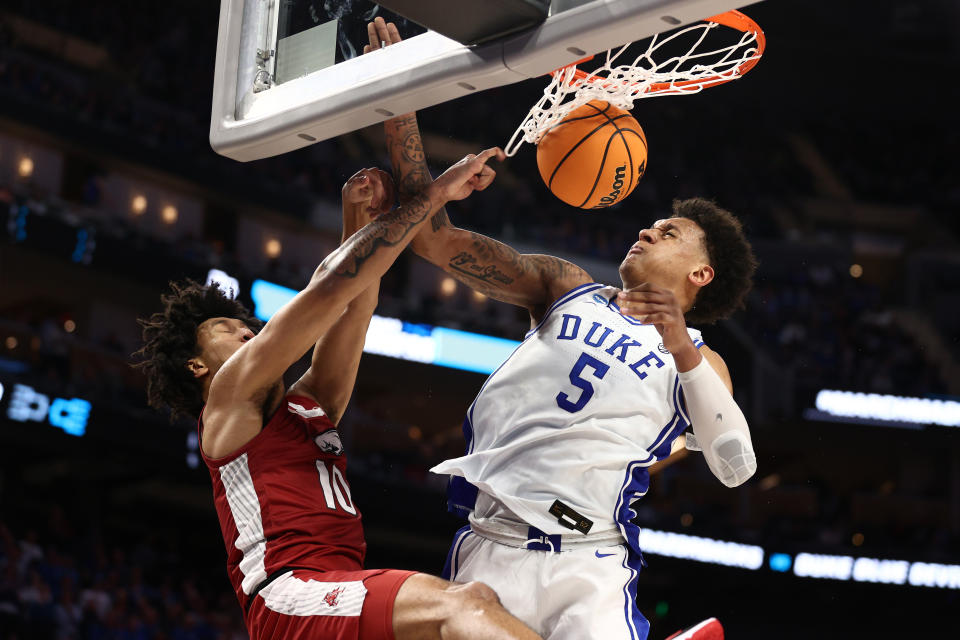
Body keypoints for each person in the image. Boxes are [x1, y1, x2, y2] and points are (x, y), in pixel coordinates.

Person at [367, 17, 758, 640]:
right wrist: (402, 105)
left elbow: (735, 466)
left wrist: (679, 341)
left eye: (668, 233)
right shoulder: (564, 287)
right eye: (651, 224)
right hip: (489, 550)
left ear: (701, 273)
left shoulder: (702, 366)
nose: (645, 230)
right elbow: (432, 240)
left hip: (590, 565)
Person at [134, 147, 545, 640]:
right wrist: (435, 195)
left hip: (334, 587)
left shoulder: (310, 406)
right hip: (288, 593)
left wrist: (356, 222)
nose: (247, 331)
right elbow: (330, 289)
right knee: (465, 605)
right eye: (226, 328)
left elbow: (354, 301)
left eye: (245, 323)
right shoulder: (227, 402)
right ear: (197, 365)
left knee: (469, 614)